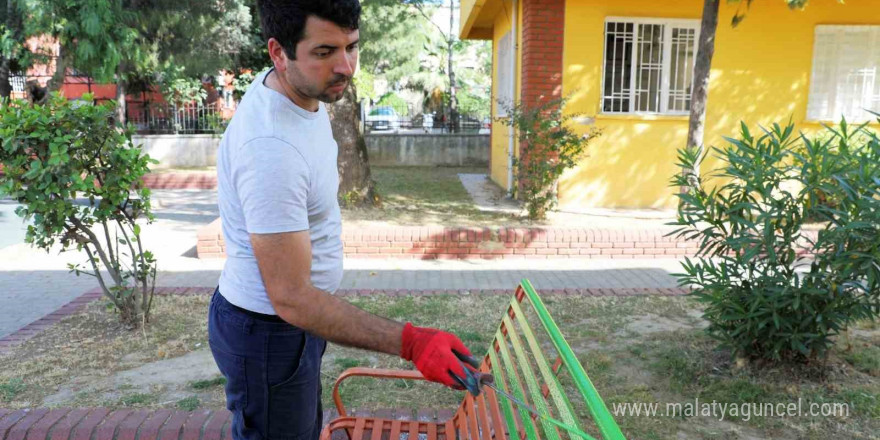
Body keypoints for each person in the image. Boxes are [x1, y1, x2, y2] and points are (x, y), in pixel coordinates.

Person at [208, 2, 479, 440]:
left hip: (293, 325)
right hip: (270, 331)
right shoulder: (270, 149)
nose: (346, 66)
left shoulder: (298, 94)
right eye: (324, 52)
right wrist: (411, 342)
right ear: (278, 53)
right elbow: (291, 297)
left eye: (352, 47)